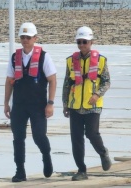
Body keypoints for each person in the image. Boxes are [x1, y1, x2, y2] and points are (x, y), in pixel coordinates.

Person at [4, 22, 57, 182]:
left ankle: (46, 156)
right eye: (22, 37)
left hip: (38, 105)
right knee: (18, 138)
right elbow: (9, 81)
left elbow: (52, 80)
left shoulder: (44, 56)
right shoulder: (15, 57)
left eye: (28, 37)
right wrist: (6, 103)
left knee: (39, 136)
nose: (25, 40)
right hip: (19, 105)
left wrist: (50, 103)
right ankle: (20, 170)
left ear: (35, 38)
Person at [62, 26, 112, 181]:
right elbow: (66, 83)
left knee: (91, 133)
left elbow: (107, 81)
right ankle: (81, 170)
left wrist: (97, 94)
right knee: (76, 139)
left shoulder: (101, 60)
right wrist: (65, 104)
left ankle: (103, 153)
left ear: (91, 42)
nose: (82, 45)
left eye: (85, 42)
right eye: (79, 42)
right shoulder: (71, 61)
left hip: (93, 105)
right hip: (75, 105)